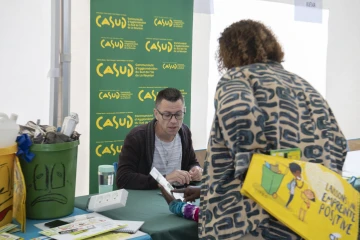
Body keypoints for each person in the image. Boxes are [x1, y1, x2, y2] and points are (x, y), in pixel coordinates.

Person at [160, 20, 347, 240]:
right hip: (310, 221)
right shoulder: (305, 86)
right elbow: (338, 146)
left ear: (227, 53)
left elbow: (242, 125)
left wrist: (254, 182)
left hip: (254, 226)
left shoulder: (236, 80)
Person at [116, 88, 203, 190]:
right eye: (167, 115)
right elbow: (123, 179)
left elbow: (192, 162)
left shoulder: (184, 132)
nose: (174, 121)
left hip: (179, 197)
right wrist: (163, 179)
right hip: (147, 199)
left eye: (178, 114)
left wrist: (196, 169)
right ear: (156, 114)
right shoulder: (137, 137)